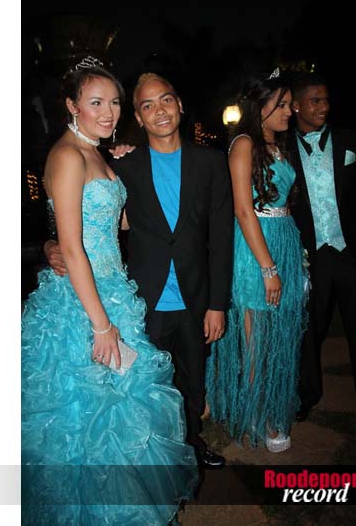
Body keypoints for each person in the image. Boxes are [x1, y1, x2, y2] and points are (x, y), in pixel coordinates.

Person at [21, 60, 197, 525]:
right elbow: (72, 248)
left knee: (123, 416)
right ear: (72, 105)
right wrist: (101, 326)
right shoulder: (68, 155)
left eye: (115, 102)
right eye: (96, 102)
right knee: (85, 422)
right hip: (82, 305)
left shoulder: (96, 153)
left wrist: (127, 168)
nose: (108, 112)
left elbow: (117, 224)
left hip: (115, 291)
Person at [45, 72, 234, 469]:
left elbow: (221, 237)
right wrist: (52, 245)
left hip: (192, 295)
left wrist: (218, 303)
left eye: (165, 100)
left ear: (179, 104)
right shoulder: (123, 163)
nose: (159, 111)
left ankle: (192, 445)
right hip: (141, 298)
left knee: (192, 381)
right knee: (146, 389)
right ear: (139, 116)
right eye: (147, 105)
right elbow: (71, 219)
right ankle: (162, 459)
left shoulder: (209, 161)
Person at [205, 70, 308, 453]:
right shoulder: (244, 144)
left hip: (283, 241)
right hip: (255, 250)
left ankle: (269, 407)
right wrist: (268, 268)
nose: (289, 110)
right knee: (257, 342)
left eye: (289, 104)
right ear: (259, 106)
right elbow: (243, 211)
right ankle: (254, 412)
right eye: (281, 104)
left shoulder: (278, 143)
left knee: (278, 336)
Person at [285, 72, 356, 426]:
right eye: (315, 101)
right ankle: (307, 395)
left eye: (325, 99)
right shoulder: (282, 149)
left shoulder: (352, 140)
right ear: (296, 106)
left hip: (352, 254)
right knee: (309, 333)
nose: (324, 106)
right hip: (312, 257)